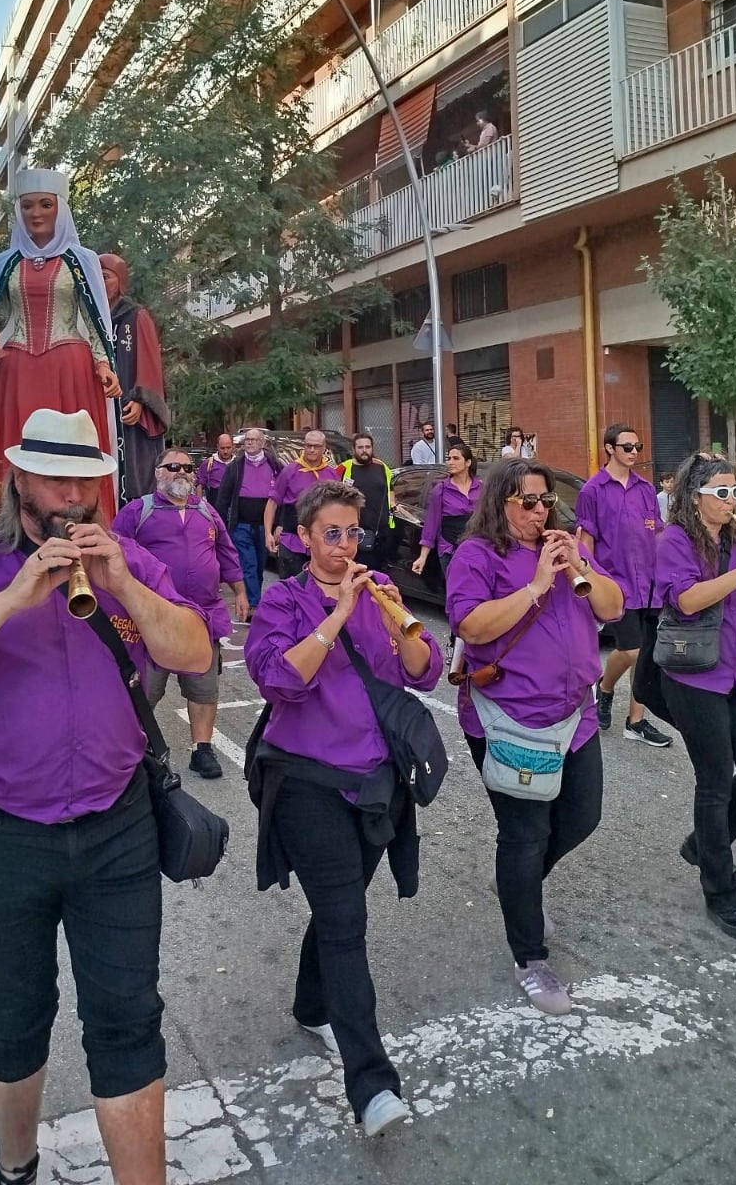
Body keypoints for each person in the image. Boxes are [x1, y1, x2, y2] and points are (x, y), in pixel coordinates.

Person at [0, 408, 213, 1185]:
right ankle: (17, 1164)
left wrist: (123, 583)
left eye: (84, 477)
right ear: (21, 480)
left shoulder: (124, 558)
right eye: (53, 476)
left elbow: (195, 651)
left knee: (130, 1021)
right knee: (14, 1018)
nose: (71, 493)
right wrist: (13, 598)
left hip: (117, 825)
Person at [244, 480, 443, 1136]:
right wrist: (334, 616)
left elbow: (423, 669)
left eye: (353, 532)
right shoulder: (285, 599)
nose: (345, 545)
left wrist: (391, 613)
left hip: (373, 782)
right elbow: (278, 678)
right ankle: (372, 1084)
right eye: (332, 533)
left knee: (338, 909)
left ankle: (310, 1002)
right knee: (347, 921)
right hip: (305, 783)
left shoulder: (376, 596)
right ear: (304, 538)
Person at [447, 459, 623, 1014]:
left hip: (576, 714)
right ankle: (530, 958)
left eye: (546, 500)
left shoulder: (566, 547)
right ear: (500, 503)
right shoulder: (477, 555)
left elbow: (613, 608)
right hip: (510, 717)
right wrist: (537, 584)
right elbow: (470, 626)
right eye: (528, 501)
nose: (540, 510)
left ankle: (521, 887)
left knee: (581, 816)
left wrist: (578, 565)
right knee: (524, 834)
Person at [0, 168, 120, 549]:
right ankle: (4, 532)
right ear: (18, 211)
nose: (36, 213)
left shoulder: (82, 260)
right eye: (27, 206)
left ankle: (81, 533)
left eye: (45, 204)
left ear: (61, 209)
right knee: (17, 452)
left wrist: (104, 365)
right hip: (16, 368)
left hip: (70, 367)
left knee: (71, 453)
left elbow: (94, 321)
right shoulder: (3, 263)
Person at [654, 454, 736, 944]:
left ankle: (705, 844)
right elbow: (685, 601)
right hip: (693, 674)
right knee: (715, 781)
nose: (731, 501)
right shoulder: (676, 540)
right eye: (721, 493)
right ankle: (721, 889)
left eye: (735, 493)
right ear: (694, 496)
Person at [113, 448, 248, 780]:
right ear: (158, 473)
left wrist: (241, 591)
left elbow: (227, 551)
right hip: (151, 619)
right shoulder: (137, 512)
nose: (182, 472)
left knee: (204, 688)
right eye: (173, 466)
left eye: (188, 467)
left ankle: (201, 750)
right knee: (145, 689)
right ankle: (135, 750)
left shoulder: (206, 511)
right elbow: (112, 555)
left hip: (202, 618)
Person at [576, 425, 673, 749]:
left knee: (646, 655)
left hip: (650, 583)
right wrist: (588, 579)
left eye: (637, 446)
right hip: (616, 583)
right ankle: (605, 686)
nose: (634, 452)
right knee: (632, 649)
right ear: (609, 448)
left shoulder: (645, 488)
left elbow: (656, 532)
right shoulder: (593, 490)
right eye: (627, 446)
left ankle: (636, 720)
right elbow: (585, 540)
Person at [99, 253, 170, 501]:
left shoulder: (135, 316)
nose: (100, 282)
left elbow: (150, 362)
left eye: (106, 277)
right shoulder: (89, 320)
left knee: (132, 467)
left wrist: (141, 399)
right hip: (97, 407)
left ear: (121, 281)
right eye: (95, 277)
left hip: (127, 408)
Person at [217, 428, 282, 609]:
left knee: (260, 565)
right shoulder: (235, 467)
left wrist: (280, 524)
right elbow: (223, 497)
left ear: (262, 443)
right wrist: (220, 526)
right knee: (248, 564)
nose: (250, 443)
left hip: (264, 527)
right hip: (241, 526)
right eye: (247, 440)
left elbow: (285, 496)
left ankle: (254, 597)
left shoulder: (275, 465)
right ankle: (254, 604)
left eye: (254, 440)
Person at [265, 429, 342, 580]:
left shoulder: (332, 475)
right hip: (292, 542)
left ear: (324, 448)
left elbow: (338, 509)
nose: (312, 450)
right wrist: (268, 533)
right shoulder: (290, 471)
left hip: (321, 544)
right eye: (309, 445)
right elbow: (272, 503)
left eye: (316, 446)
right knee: (291, 590)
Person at [412, 442, 480, 582]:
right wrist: (422, 557)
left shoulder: (482, 488)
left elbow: (491, 519)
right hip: (450, 549)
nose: (450, 462)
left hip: (478, 550)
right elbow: (431, 525)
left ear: (467, 462)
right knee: (456, 593)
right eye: (449, 458)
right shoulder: (441, 489)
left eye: (456, 458)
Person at [337, 434, 395, 571]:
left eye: (367, 447)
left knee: (377, 580)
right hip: (353, 535)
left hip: (381, 535)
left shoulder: (382, 467)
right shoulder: (343, 469)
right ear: (353, 449)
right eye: (360, 447)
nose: (364, 450)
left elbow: (391, 490)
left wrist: (393, 504)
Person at [197, 432, 235, 510]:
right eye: (222, 448)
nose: (225, 451)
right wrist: (200, 505)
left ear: (233, 446)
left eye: (228, 448)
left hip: (233, 505)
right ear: (217, 447)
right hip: (214, 505)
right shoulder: (209, 463)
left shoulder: (238, 463)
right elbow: (199, 484)